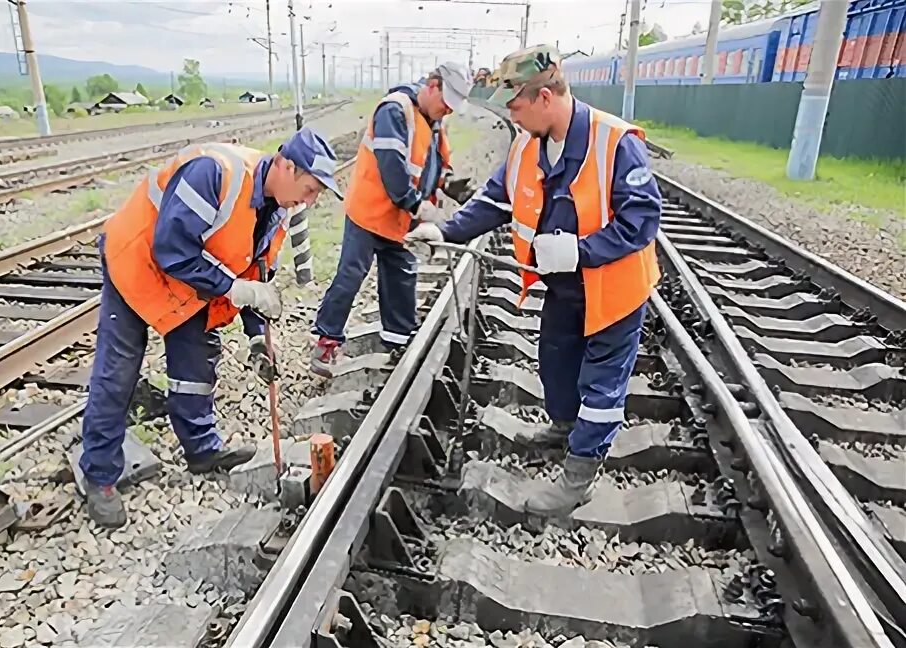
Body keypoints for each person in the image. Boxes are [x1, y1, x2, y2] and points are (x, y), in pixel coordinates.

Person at [406, 45, 662, 516]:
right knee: (556, 366)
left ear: (545, 97)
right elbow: (495, 201)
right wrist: (444, 229)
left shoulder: (615, 142)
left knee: (601, 384)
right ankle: (565, 429)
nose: (512, 116)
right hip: (565, 287)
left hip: (616, 289)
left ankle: (579, 476)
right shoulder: (529, 143)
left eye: (516, 106)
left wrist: (580, 251)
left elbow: (643, 219)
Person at [80, 127, 343, 528]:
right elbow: (172, 249)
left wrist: (257, 337)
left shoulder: (276, 208)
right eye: (309, 189)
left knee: (196, 367)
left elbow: (254, 272)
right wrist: (236, 288)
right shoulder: (215, 173)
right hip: (137, 265)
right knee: (118, 372)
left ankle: (202, 450)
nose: (308, 201)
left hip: (190, 283)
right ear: (287, 166)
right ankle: (99, 476)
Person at [309, 61, 478, 377]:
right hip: (369, 211)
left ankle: (397, 341)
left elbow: (437, 165)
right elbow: (393, 169)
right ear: (432, 86)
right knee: (351, 275)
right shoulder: (395, 110)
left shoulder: (435, 120)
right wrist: (419, 207)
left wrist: (456, 187)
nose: (448, 111)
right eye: (446, 103)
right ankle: (326, 343)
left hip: (399, 216)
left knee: (401, 274)